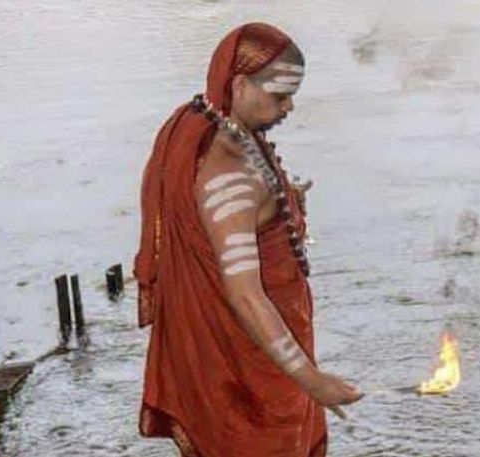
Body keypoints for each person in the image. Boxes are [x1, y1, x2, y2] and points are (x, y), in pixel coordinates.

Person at [133, 22, 363, 457]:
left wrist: (283, 200)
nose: (290, 106)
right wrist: (312, 381)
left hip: (263, 355)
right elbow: (246, 297)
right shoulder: (229, 177)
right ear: (238, 85)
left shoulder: (208, 118)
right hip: (246, 371)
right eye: (279, 95)